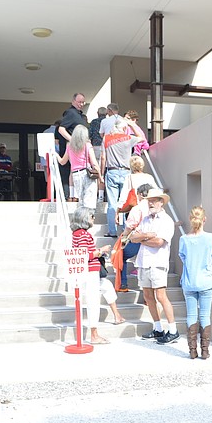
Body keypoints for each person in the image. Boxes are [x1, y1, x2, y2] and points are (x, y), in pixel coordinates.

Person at [130, 188, 179, 344]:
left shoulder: (166, 221)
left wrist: (141, 239)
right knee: (148, 296)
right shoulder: (145, 219)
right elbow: (132, 237)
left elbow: (159, 242)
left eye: (153, 200)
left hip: (157, 262)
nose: (150, 203)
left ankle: (173, 330)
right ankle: (158, 328)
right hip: (143, 262)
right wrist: (146, 236)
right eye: (149, 201)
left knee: (161, 296)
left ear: (161, 202)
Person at [178, 206, 212, 359]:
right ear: (205, 219)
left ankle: (192, 350)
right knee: (205, 315)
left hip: (189, 280)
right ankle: (205, 350)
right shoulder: (211, 238)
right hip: (206, 281)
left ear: (191, 219)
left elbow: (182, 257)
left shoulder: (184, 239)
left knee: (191, 315)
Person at [70, 207, 112, 345]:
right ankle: (94, 334)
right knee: (93, 302)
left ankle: (94, 333)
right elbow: (85, 255)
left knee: (93, 300)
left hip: (86, 271)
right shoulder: (83, 234)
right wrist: (101, 251)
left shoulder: (77, 233)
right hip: (90, 271)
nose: (93, 218)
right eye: (91, 216)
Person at [101, 118, 147, 237]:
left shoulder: (106, 138)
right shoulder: (128, 138)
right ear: (125, 128)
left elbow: (103, 157)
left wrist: (101, 173)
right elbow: (141, 138)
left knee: (112, 203)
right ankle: (124, 230)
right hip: (126, 172)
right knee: (125, 202)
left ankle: (112, 230)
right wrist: (132, 125)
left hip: (111, 171)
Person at [117, 183, 154, 292]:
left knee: (121, 256)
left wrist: (123, 238)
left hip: (138, 239)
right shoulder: (156, 208)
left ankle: (123, 283)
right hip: (153, 240)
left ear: (141, 194)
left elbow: (129, 227)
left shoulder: (137, 208)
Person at [55, 125, 100, 209]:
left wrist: (55, 154)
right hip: (87, 174)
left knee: (81, 201)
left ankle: (82, 216)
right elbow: (94, 163)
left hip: (75, 175)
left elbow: (62, 162)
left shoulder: (69, 146)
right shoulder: (87, 145)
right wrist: (100, 176)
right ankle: (89, 216)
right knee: (90, 200)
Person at [56, 93, 88, 198]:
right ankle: (71, 195)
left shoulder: (80, 115)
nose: (81, 104)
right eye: (79, 102)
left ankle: (75, 195)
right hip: (74, 147)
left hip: (81, 147)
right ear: (73, 101)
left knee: (77, 170)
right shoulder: (71, 113)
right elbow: (61, 129)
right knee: (73, 170)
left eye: (83, 102)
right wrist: (73, 141)